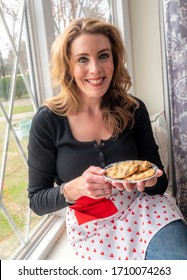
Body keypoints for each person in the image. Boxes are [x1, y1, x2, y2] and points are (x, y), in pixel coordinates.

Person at [28, 18, 187, 260]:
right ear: (68, 66)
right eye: (83, 59)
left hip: (144, 211)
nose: (96, 69)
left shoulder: (133, 108)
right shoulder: (47, 121)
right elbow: (37, 200)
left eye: (103, 56)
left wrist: (147, 181)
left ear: (114, 60)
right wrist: (76, 187)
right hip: (91, 227)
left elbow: (161, 182)